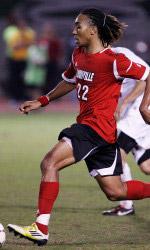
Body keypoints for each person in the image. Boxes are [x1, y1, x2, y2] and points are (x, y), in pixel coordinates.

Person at [8, 8, 150, 246]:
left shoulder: (114, 60)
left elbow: (147, 74)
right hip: (103, 135)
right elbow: (69, 81)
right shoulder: (78, 54)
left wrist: (144, 106)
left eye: (78, 26)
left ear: (93, 30)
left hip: (94, 129)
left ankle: (40, 227)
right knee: (116, 191)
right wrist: (42, 101)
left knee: (49, 162)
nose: (74, 31)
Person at [102, 47, 150, 216]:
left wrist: (124, 103)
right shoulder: (97, 61)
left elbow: (145, 80)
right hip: (131, 114)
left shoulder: (120, 54)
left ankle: (126, 205)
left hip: (139, 109)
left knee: (118, 153)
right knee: (146, 165)